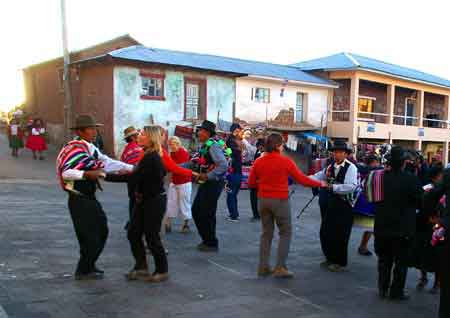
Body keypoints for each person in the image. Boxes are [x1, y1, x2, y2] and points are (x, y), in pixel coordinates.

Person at [56, 115, 134, 280]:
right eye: (91, 129)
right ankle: (84, 269)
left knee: (101, 230)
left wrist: (132, 168)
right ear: (80, 131)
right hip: (78, 198)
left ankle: (88, 265)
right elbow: (66, 173)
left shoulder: (90, 148)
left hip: (88, 197)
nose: (94, 132)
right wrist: (87, 173)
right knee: (90, 234)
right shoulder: (74, 148)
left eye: (94, 128)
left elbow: (107, 163)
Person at [248, 133, 325, 278]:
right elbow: (302, 180)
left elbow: (251, 183)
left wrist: (264, 184)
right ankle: (280, 267)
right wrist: (320, 183)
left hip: (263, 200)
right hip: (280, 200)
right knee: (285, 232)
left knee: (266, 234)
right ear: (278, 146)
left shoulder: (258, 161)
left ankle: (263, 267)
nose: (283, 146)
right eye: (282, 144)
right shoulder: (286, 162)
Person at [108, 126, 175, 282]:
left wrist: (105, 176)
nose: (139, 135)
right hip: (143, 200)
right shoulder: (147, 154)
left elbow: (134, 178)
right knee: (133, 232)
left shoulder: (151, 156)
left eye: (142, 134)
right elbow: (139, 175)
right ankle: (141, 267)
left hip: (154, 201)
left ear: (150, 138)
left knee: (151, 236)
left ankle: (162, 270)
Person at [371, 146, 423, 300]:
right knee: (401, 263)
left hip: (382, 226)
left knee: (384, 260)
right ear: (403, 163)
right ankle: (396, 292)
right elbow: (420, 202)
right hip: (403, 229)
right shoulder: (411, 179)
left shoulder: (379, 177)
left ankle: (382, 289)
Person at [311, 140, 358, 272]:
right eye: (335, 152)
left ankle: (339, 261)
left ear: (345, 154)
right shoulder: (330, 166)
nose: (337, 155)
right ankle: (330, 257)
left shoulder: (351, 168)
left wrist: (332, 187)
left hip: (344, 205)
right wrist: (304, 178)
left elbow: (351, 187)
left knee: (341, 234)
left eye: (340, 152)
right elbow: (318, 176)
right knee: (326, 232)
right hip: (331, 204)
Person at [185, 120, 229, 252]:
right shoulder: (205, 145)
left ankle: (210, 242)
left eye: (201, 131)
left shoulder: (213, 146)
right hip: (210, 182)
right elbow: (193, 163)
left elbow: (223, 165)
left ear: (207, 133)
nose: (198, 133)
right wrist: (174, 167)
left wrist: (207, 176)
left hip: (213, 182)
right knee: (204, 211)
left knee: (201, 211)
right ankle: (209, 241)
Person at [413, 166, 443, 294]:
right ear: (436, 176)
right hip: (428, 225)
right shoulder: (429, 189)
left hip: (431, 225)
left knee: (432, 253)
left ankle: (433, 281)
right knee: (427, 252)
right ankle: (428, 279)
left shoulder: (435, 189)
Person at [355, 155, 381, 256]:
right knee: (372, 227)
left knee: (371, 227)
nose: (377, 164)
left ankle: (363, 246)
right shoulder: (372, 173)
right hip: (368, 203)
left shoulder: (363, 171)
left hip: (363, 202)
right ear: (372, 163)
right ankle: (364, 246)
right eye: (376, 162)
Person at [165, 136, 193, 233]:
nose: (171, 146)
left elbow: (179, 168)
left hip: (184, 181)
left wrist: (169, 168)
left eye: (172, 144)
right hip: (175, 181)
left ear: (177, 143)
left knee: (184, 203)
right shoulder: (172, 153)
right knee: (171, 202)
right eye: (170, 144)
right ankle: (168, 223)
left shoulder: (183, 152)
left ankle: (186, 224)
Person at [120, 126, 144, 230]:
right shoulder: (137, 149)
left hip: (129, 180)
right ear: (133, 137)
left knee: (132, 201)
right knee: (138, 203)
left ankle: (132, 222)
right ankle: (135, 224)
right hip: (137, 180)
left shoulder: (126, 149)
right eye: (137, 135)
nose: (139, 136)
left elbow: (123, 163)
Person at [226, 123, 243, 222]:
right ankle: (234, 213)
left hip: (234, 172)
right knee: (232, 194)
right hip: (235, 171)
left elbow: (231, 154)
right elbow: (230, 153)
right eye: (238, 130)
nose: (240, 132)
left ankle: (234, 215)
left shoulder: (234, 141)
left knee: (231, 194)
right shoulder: (231, 141)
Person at [249, 138, 264, 221]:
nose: (259, 148)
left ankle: (258, 214)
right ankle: (256, 214)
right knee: (254, 197)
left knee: (258, 198)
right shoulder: (257, 153)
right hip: (255, 179)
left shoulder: (264, 155)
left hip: (260, 180)